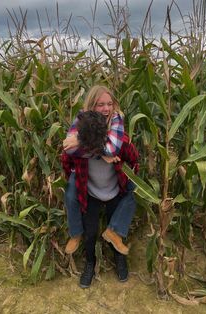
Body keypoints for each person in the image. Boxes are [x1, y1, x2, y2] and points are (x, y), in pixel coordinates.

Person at [61, 110, 139, 288]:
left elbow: (134, 159)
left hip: (114, 191)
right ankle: (90, 263)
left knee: (115, 231)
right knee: (90, 233)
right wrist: (75, 179)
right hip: (91, 193)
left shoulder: (120, 143)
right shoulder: (76, 150)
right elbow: (66, 161)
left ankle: (120, 260)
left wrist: (126, 174)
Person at [63, 85, 125, 255]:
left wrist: (80, 140)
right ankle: (76, 234)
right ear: (91, 105)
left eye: (109, 103)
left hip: (113, 178)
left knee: (131, 194)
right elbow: (69, 148)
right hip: (85, 176)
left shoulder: (116, 118)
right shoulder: (80, 120)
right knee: (70, 194)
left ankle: (117, 250)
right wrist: (101, 154)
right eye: (100, 104)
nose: (106, 108)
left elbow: (113, 149)